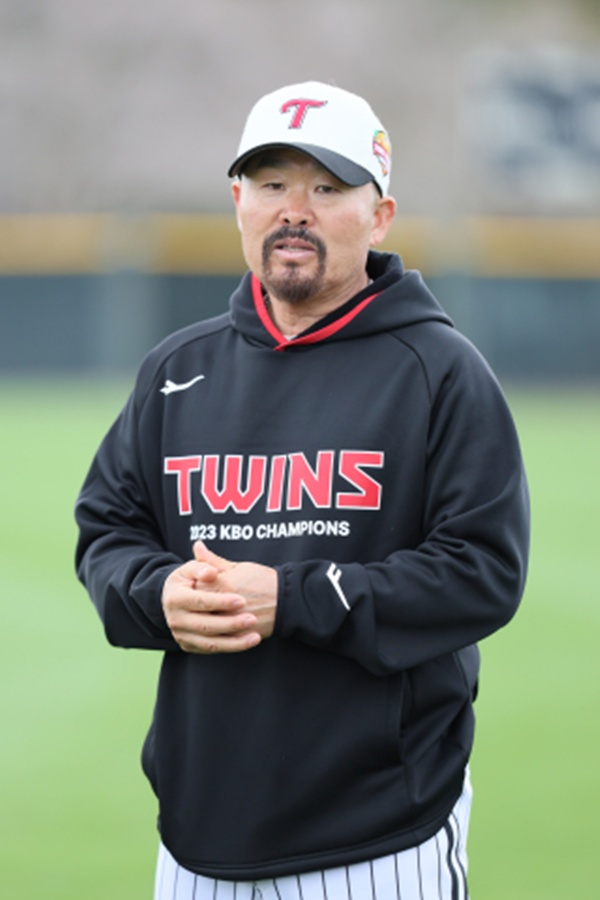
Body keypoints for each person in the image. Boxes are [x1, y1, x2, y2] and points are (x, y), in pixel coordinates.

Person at [75, 81, 530, 900]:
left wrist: (293, 600)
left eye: (327, 187)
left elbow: (482, 573)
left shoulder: (439, 371)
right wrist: (155, 593)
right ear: (238, 203)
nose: (294, 211)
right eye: (272, 183)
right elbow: (107, 531)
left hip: (379, 836)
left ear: (379, 216)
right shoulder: (178, 368)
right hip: (196, 834)